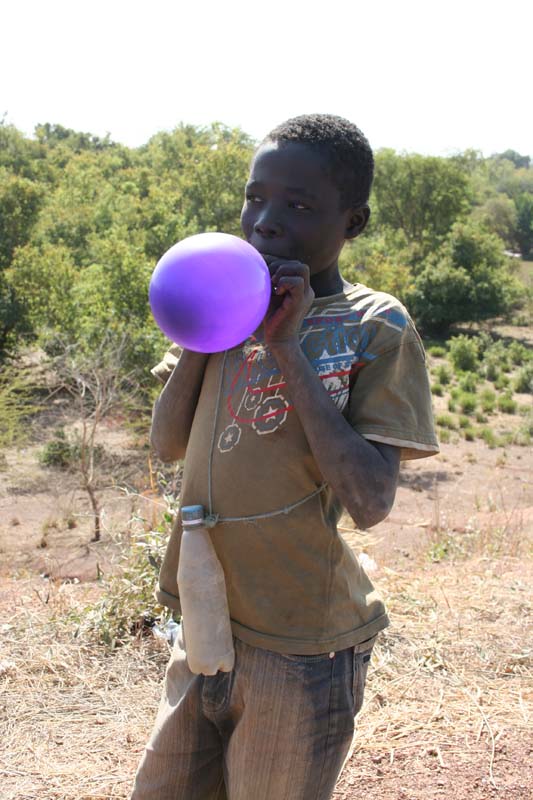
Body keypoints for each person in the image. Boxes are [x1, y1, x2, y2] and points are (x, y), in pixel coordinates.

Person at [131, 113, 439, 800]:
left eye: (298, 206)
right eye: (255, 197)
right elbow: (167, 444)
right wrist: (201, 336)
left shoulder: (373, 325)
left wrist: (284, 346)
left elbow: (370, 502)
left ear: (351, 223)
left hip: (303, 646)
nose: (265, 221)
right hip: (207, 623)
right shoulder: (222, 311)